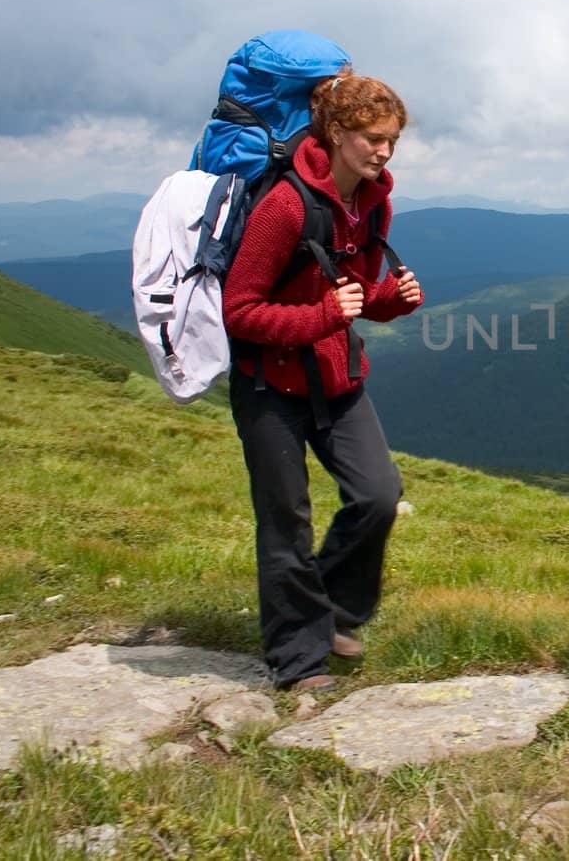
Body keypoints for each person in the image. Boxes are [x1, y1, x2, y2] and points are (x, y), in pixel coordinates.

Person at [222, 71, 424, 692]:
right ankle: (299, 660)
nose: (383, 151)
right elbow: (240, 310)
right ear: (335, 132)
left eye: (391, 140)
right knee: (286, 522)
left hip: (336, 375)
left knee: (378, 494)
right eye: (371, 138)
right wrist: (321, 317)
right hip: (268, 385)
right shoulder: (284, 205)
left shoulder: (372, 199)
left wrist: (393, 301)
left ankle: (336, 611)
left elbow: (356, 292)